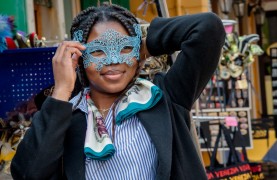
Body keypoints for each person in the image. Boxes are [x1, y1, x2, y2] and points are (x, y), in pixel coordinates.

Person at [10, 2, 225, 180]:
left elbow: (208, 28)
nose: (113, 60)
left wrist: (146, 45)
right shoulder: (65, 116)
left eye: (125, 48)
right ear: (80, 56)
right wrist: (62, 90)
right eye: (98, 51)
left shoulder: (163, 98)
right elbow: (28, 174)